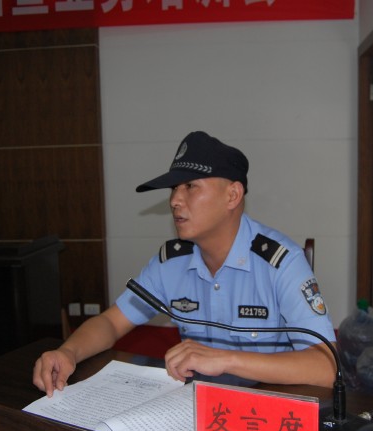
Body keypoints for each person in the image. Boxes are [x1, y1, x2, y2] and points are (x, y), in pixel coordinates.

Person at [33, 131, 337, 397]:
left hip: (264, 408)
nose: (175, 200)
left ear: (232, 195)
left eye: (190, 186)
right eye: (173, 189)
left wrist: (226, 359)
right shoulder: (171, 262)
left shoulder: (280, 262)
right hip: (193, 404)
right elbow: (112, 322)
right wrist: (67, 352)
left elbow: (325, 367)